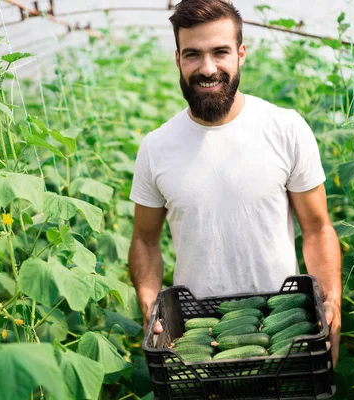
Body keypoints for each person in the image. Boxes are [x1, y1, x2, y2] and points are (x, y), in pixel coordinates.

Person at [127, 0, 341, 366]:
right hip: (196, 335)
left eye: (220, 52)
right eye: (193, 54)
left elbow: (317, 227)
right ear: (177, 59)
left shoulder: (285, 129)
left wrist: (331, 300)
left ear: (241, 53)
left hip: (282, 325)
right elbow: (145, 239)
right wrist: (149, 303)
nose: (207, 68)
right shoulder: (156, 147)